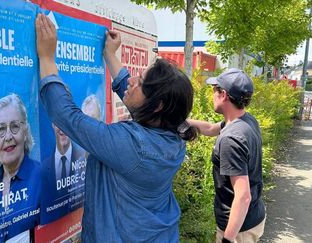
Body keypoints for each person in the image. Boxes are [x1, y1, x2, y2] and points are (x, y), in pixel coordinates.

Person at [36, 13, 197, 242]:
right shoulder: (171, 135)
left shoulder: (133, 146)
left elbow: (67, 117)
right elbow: (135, 98)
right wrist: (111, 55)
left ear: (157, 105)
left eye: (140, 83)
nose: (132, 81)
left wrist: (47, 57)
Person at [188, 69, 266, 243]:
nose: (212, 95)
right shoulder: (245, 120)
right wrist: (177, 121)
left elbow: (243, 196)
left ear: (223, 95)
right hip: (252, 217)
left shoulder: (231, 139)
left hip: (238, 228)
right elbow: (209, 128)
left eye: (214, 90)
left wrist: (228, 239)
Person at [0, 94, 40, 242]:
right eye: (1, 129)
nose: (8, 136)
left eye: (15, 126)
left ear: (25, 131)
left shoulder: (43, 179)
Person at [41, 123, 86, 224]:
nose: (62, 128)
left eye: (64, 121)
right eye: (58, 122)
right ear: (52, 124)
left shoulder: (83, 158)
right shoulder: (43, 167)